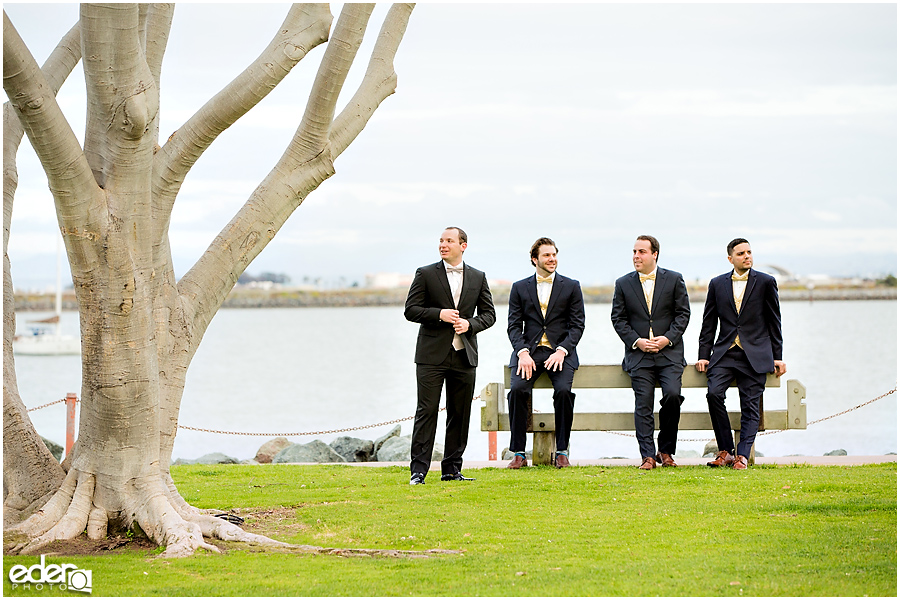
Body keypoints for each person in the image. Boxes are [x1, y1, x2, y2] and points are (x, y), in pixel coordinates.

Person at [404, 227, 495, 485]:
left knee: (460, 413)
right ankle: (418, 472)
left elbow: (489, 315)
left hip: (464, 355)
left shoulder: (478, 277)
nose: (443, 245)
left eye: (449, 241)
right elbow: (410, 310)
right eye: (441, 241)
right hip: (431, 355)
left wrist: (470, 325)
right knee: (427, 411)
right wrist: (439, 314)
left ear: (463, 245)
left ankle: (452, 470)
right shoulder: (425, 274)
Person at [696, 238, 787, 470]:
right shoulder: (717, 284)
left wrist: (778, 356)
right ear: (730, 259)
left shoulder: (766, 282)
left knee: (750, 405)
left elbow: (774, 321)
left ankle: (742, 456)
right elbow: (709, 323)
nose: (746, 256)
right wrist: (703, 354)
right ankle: (725, 451)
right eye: (741, 254)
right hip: (725, 352)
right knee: (714, 395)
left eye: (749, 252)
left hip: (756, 354)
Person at [611, 235, 691, 470]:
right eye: (634, 252)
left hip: (670, 354)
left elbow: (683, 314)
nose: (636, 256)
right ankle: (647, 456)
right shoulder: (623, 283)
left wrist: (667, 339)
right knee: (643, 404)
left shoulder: (674, 279)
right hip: (639, 356)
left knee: (673, 396)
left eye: (642, 252)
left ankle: (666, 451)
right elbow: (618, 319)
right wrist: (637, 341)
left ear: (654, 254)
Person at [506, 237, 585, 469]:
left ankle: (562, 451)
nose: (552, 259)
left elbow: (577, 325)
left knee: (563, 392)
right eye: (547, 255)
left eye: (554, 255)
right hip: (528, 353)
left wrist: (562, 351)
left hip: (561, 352)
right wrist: (521, 352)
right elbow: (513, 326)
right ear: (535, 259)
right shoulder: (519, 288)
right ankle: (519, 453)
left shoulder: (571, 286)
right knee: (518, 391)